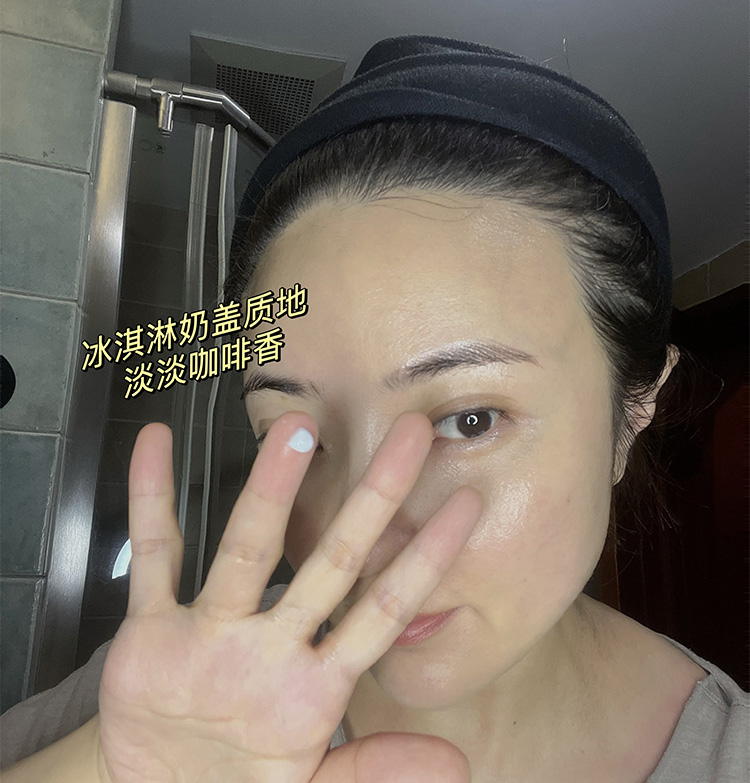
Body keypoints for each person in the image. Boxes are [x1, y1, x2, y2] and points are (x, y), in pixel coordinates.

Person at [2, 34, 747, 783]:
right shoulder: (171, 694)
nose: (359, 537)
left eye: (470, 421)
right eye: (299, 436)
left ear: (636, 405)